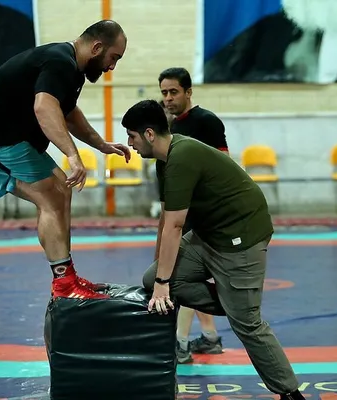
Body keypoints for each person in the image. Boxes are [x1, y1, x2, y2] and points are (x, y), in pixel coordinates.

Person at [121, 99, 306, 400]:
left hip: (241, 236)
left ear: (150, 134)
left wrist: (164, 283)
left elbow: (175, 226)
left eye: (132, 136)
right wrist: (161, 278)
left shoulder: (182, 156)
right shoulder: (164, 161)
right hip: (207, 236)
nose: (130, 143)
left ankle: (290, 392)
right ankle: (237, 303)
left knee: (248, 325)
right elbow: (168, 220)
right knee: (152, 279)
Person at [0, 20, 131, 300]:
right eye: (114, 57)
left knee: (62, 189)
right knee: (51, 198)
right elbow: (44, 107)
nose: (112, 67)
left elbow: (68, 114)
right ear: (97, 47)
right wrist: (72, 155)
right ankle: (64, 284)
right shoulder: (59, 62)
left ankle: (67, 276)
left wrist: (101, 144)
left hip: (10, 138)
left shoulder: (71, 68)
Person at [158, 67, 228, 363]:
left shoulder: (206, 121)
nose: (168, 98)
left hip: (203, 214)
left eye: (174, 92)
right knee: (189, 276)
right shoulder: (171, 126)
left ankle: (181, 343)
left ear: (188, 92)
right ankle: (209, 337)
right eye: (164, 92)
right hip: (183, 210)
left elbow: (224, 166)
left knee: (181, 277)